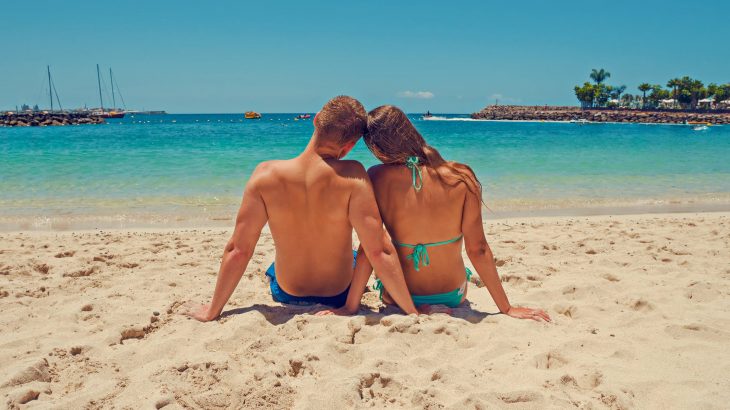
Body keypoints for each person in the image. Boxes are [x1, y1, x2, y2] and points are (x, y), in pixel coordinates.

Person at [186, 97, 418, 321]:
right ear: (348, 147)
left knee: (274, 266)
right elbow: (378, 251)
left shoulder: (265, 175)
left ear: (316, 119)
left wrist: (212, 311)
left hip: (287, 293)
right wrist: (412, 313)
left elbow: (238, 250)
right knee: (358, 255)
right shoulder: (353, 175)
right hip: (339, 294)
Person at [324, 105, 550, 321]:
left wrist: (350, 307)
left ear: (377, 147)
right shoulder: (461, 176)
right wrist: (506, 308)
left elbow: (371, 250)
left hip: (398, 297)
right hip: (453, 294)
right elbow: (478, 249)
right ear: (408, 131)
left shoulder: (376, 177)